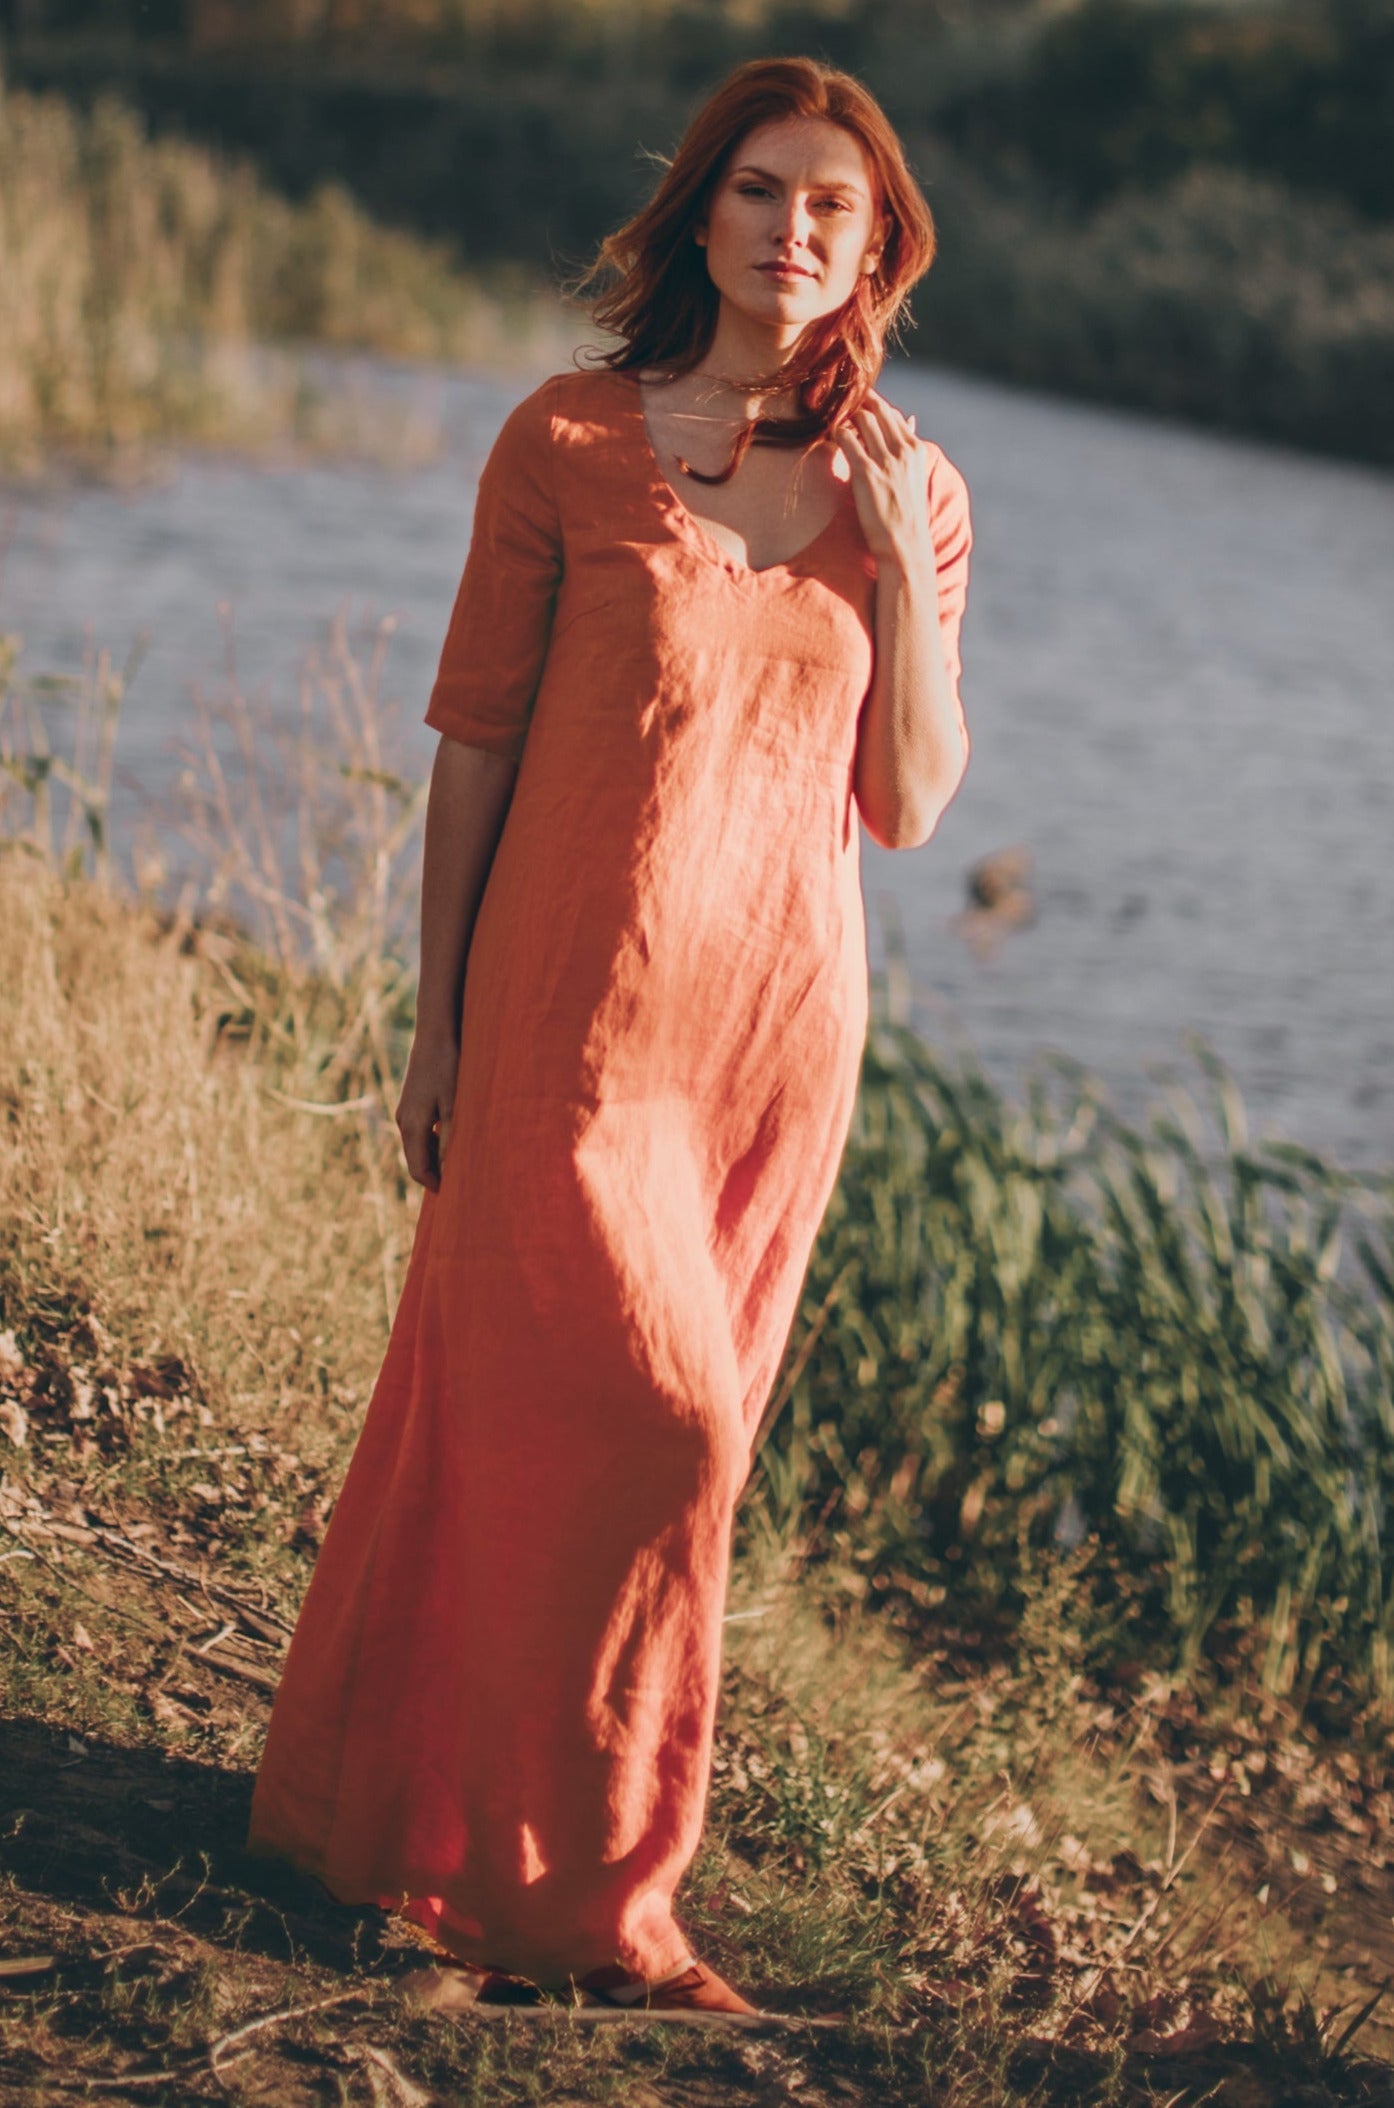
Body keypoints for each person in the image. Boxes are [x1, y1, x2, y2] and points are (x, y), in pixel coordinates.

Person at [247, 53, 973, 2020]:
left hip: (770, 1051)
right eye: (758, 190)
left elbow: (907, 800)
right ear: (700, 216)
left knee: (680, 1461)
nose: (791, 229)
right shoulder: (567, 439)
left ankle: (450, 1835)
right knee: (640, 1427)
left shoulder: (914, 490)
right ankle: (598, 1906)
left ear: (874, 246)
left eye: (831, 204)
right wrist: (439, 1021)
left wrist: (901, 574)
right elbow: (476, 742)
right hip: (573, 1022)